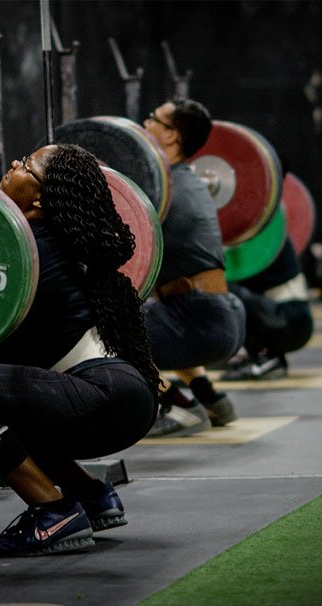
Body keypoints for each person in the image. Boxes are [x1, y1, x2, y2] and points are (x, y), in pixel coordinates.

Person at [0, 144, 162, 558]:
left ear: (40, 196)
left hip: (100, 395)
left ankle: (53, 511)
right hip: (122, 396)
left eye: (25, 165)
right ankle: (91, 496)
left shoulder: (29, 250)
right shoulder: (61, 243)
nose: (13, 165)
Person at [140, 98, 247, 437]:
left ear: (171, 136)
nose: (144, 124)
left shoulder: (167, 193)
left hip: (203, 321)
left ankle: (178, 405)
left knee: (101, 328)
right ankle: (210, 396)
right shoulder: (184, 182)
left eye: (153, 118)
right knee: (159, 317)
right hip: (217, 317)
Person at [221, 238, 314, 381]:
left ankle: (263, 356)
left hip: (291, 320)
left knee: (224, 291)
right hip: (290, 319)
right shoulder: (263, 237)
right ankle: (268, 357)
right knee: (226, 291)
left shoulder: (265, 241)